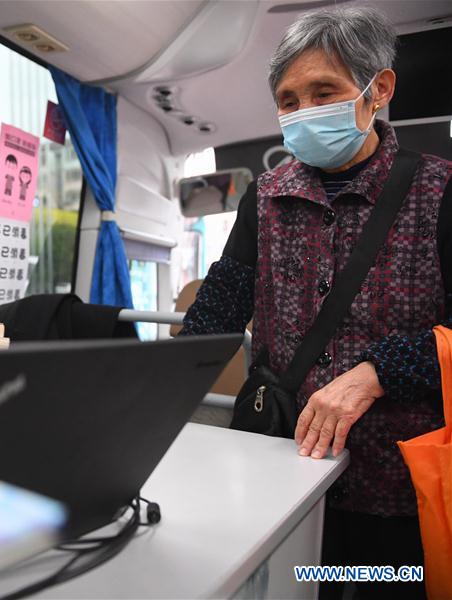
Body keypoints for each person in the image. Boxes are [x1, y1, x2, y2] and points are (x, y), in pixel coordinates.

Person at [180, 6, 450, 599]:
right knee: (301, 585)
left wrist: (381, 370)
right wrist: (148, 393)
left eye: (323, 91)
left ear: (378, 88)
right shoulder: (266, 198)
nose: (304, 113)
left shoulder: (438, 190)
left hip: (399, 486)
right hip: (286, 475)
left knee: (391, 586)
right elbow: (216, 316)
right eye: (288, 100)